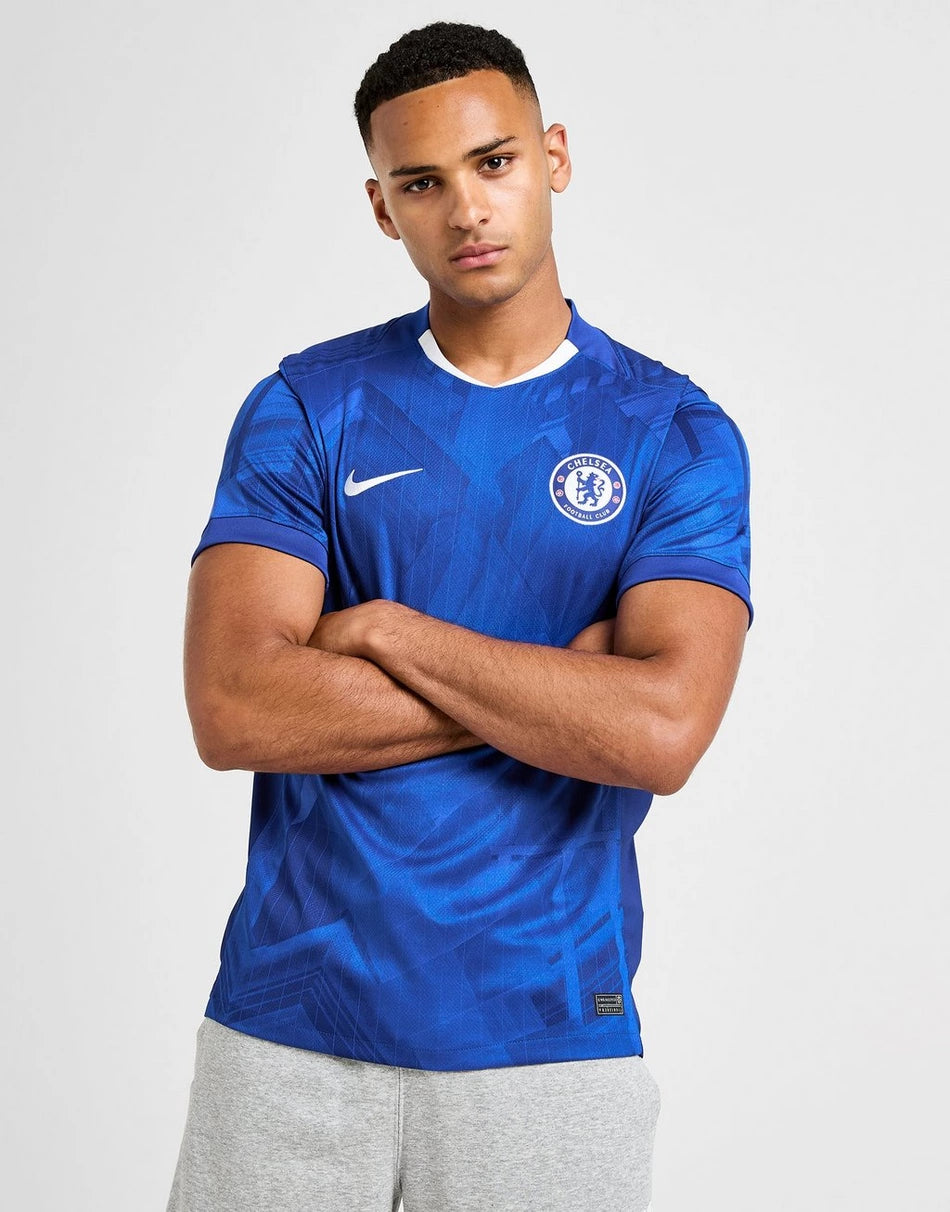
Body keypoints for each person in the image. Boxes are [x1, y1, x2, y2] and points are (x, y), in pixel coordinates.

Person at [166, 20, 752, 1212]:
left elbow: (659, 731)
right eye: (421, 182)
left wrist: (385, 630)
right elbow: (234, 708)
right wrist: (560, 688)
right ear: (382, 208)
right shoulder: (304, 409)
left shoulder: (673, 434)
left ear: (553, 157)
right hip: (287, 1032)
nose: (466, 209)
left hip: (547, 1037)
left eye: (494, 163)